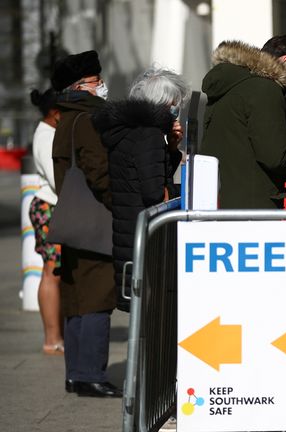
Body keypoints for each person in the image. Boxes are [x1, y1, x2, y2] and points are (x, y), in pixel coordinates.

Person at [50, 50, 121, 398]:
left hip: (72, 219)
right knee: (97, 297)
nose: (102, 87)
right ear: (82, 86)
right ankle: (92, 374)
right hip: (95, 220)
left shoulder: (65, 120)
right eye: (97, 81)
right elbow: (99, 171)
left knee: (76, 299)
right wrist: (119, 204)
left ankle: (76, 373)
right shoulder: (90, 118)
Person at [93, 67, 189, 312]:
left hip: (128, 230)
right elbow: (153, 191)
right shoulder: (149, 135)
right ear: (162, 103)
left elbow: (145, 172)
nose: (176, 110)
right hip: (147, 239)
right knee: (153, 316)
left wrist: (171, 148)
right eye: (174, 104)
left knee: (145, 318)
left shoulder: (129, 131)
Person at [200, 36, 286, 209]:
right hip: (254, 206)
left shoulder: (231, 86)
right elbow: (276, 158)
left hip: (221, 200)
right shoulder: (265, 89)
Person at [28, 87, 65, 356]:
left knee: (54, 271)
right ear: (54, 113)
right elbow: (56, 179)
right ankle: (52, 338)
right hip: (49, 206)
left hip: (51, 206)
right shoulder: (46, 137)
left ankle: (56, 335)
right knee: (52, 271)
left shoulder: (49, 132)